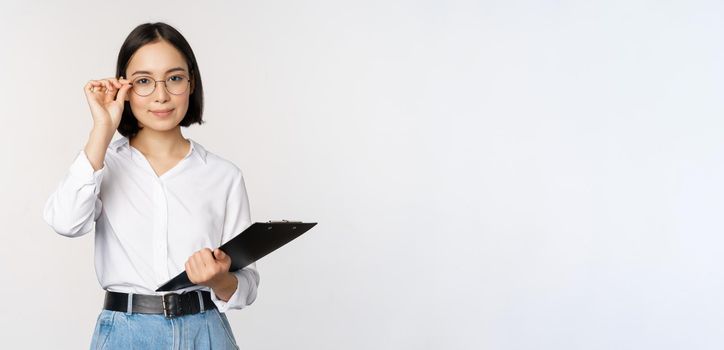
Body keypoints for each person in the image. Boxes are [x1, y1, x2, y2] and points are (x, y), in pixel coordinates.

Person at [42, 22, 258, 349]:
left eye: (174, 78)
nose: (161, 95)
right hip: (125, 334)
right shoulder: (102, 162)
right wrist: (102, 128)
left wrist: (218, 279)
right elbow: (65, 222)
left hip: (206, 332)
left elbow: (247, 285)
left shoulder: (223, 175)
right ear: (124, 88)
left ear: (191, 82)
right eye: (143, 81)